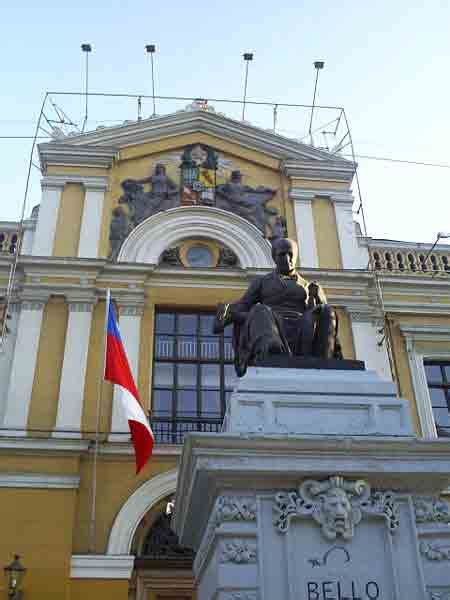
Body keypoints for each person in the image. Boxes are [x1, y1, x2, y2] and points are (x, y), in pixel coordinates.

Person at [213, 237, 341, 376]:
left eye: (290, 254)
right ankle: (272, 350)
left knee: (327, 310)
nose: (287, 259)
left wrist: (320, 299)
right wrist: (227, 313)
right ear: (275, 258)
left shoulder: (309, 286)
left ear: (295, 256)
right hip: (272, 324)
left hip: (303, 330)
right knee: (259, 309)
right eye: (282, 255)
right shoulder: (262, 282)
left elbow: (320, 314)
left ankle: (325, 361)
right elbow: (243, 305)